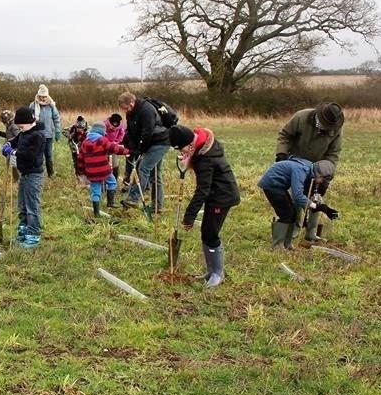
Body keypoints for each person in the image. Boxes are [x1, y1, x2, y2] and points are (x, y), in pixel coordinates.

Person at [168, 125, 241, 288]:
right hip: (215, 194)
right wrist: (188, 159)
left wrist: (189, 216)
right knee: (206, 232)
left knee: (211, 234)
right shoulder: (201, 147)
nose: (182, 152)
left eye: (182, 148)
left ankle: (218, 273)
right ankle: (210, 271)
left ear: (190, 143)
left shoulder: (206, 158)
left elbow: (203, 190)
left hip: (222, 196)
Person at [276, 103, 344, 243]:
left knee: (316, 197)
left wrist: (325, 176)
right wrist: (281, 154)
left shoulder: (336, 127)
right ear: (319, 117)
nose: (328, 128)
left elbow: (333, 154)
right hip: (296, 161)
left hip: (318, 167)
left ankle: (311, 232)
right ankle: (294, 228)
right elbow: (284, 135)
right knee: (296, 196)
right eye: (325, 124)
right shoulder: (301, 117)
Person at [258, 158, 338, 250]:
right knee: (286, 215)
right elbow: (298, 196)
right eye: (322, 179)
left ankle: (287, 245)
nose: (321, 182)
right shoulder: (301, 170)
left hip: (280, 186)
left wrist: (316, 204)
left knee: (293, 214)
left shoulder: (309, 169)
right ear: (318, 174)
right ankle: (277, 246)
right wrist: (318, 207)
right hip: (272, 185)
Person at [1, 106, 46, 249]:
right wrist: (8, 144)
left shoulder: (38, 136)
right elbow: (15, 140)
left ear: (30, 122)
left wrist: (13, 152)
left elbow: (29, 155)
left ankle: (33, 234)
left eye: (21, 126)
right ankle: (23, 231)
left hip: (34, 175)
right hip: (24, 175)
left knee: (32, 205)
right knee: (22, 205)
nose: (20, 128)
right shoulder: (23, 133)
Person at [119, 92, 170, 213]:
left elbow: (147, 132)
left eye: (126, 108)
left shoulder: (146, 110)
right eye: (123, 109)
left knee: (143, 168)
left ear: (131, 102)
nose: (125, 110)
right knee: (155, 175)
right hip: (151, 143)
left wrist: (140, 149)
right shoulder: (130, 113)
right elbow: (131, 132)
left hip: (160, 142)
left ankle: (133, 198)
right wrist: (131, 147)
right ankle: (158, 206)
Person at [77, 122, 129, 221]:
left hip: (91, 172)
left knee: (95, 191)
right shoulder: (102, 140)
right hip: (104, 170)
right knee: (112, 182)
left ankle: (96, 213)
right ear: (101, 131)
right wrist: (127, 151)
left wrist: (81, 171)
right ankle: (110, 202)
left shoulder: (84, 142)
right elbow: (114, 148)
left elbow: (80, 159)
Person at [29, 84, 62, 177]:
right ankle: (38, 173)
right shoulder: (33, 105)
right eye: (41, 97)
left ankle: (51, 173)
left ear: (47, 96)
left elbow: (56, 118)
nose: (43, 99)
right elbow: (28, 120)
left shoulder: (51, 106)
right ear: (38, 96)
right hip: (37, 134)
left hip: (48, 135)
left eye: (44, 97)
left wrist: (58, 131)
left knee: (48, 155)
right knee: (38, 155)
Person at [0, 110, 21, 181]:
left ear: (10, 120)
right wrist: (1, 134)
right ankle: (15, 179)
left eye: (5, 122)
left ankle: (17, 179)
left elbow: (18, 137)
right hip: (10, 147)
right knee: (10, 163)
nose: (4, 123)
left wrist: (11, 143)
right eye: (3, 122)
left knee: (14, 164)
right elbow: (9, 135)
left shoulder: (14, 126)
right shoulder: (8, 126)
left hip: (15, 148)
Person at [104, 113, 126, 182]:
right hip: (104, 146)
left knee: (115, 164)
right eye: (112, 127)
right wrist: (106, 143)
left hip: (114, 146)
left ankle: (114, 181)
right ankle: (104, 181)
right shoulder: (104, 125)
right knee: (104, 164)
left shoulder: (121, 127)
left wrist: (116, 142)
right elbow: (101, 135)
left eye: (115, 128)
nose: (113, 129)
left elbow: (121, 135)